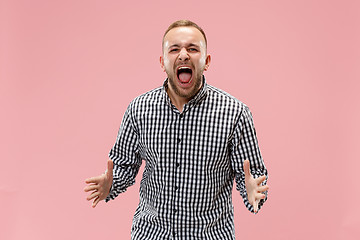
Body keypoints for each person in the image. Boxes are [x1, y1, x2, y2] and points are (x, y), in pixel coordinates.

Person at [84, 20, 269, 240]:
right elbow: (124, 165)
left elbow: (252, 177)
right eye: (174, 49)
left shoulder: (235, 113)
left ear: (206, 61)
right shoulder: (139, 109)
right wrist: (110, 184)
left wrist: (252, 193)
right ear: (163, 62)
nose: (183, 55)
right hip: (151, 234)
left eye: (192, 48)